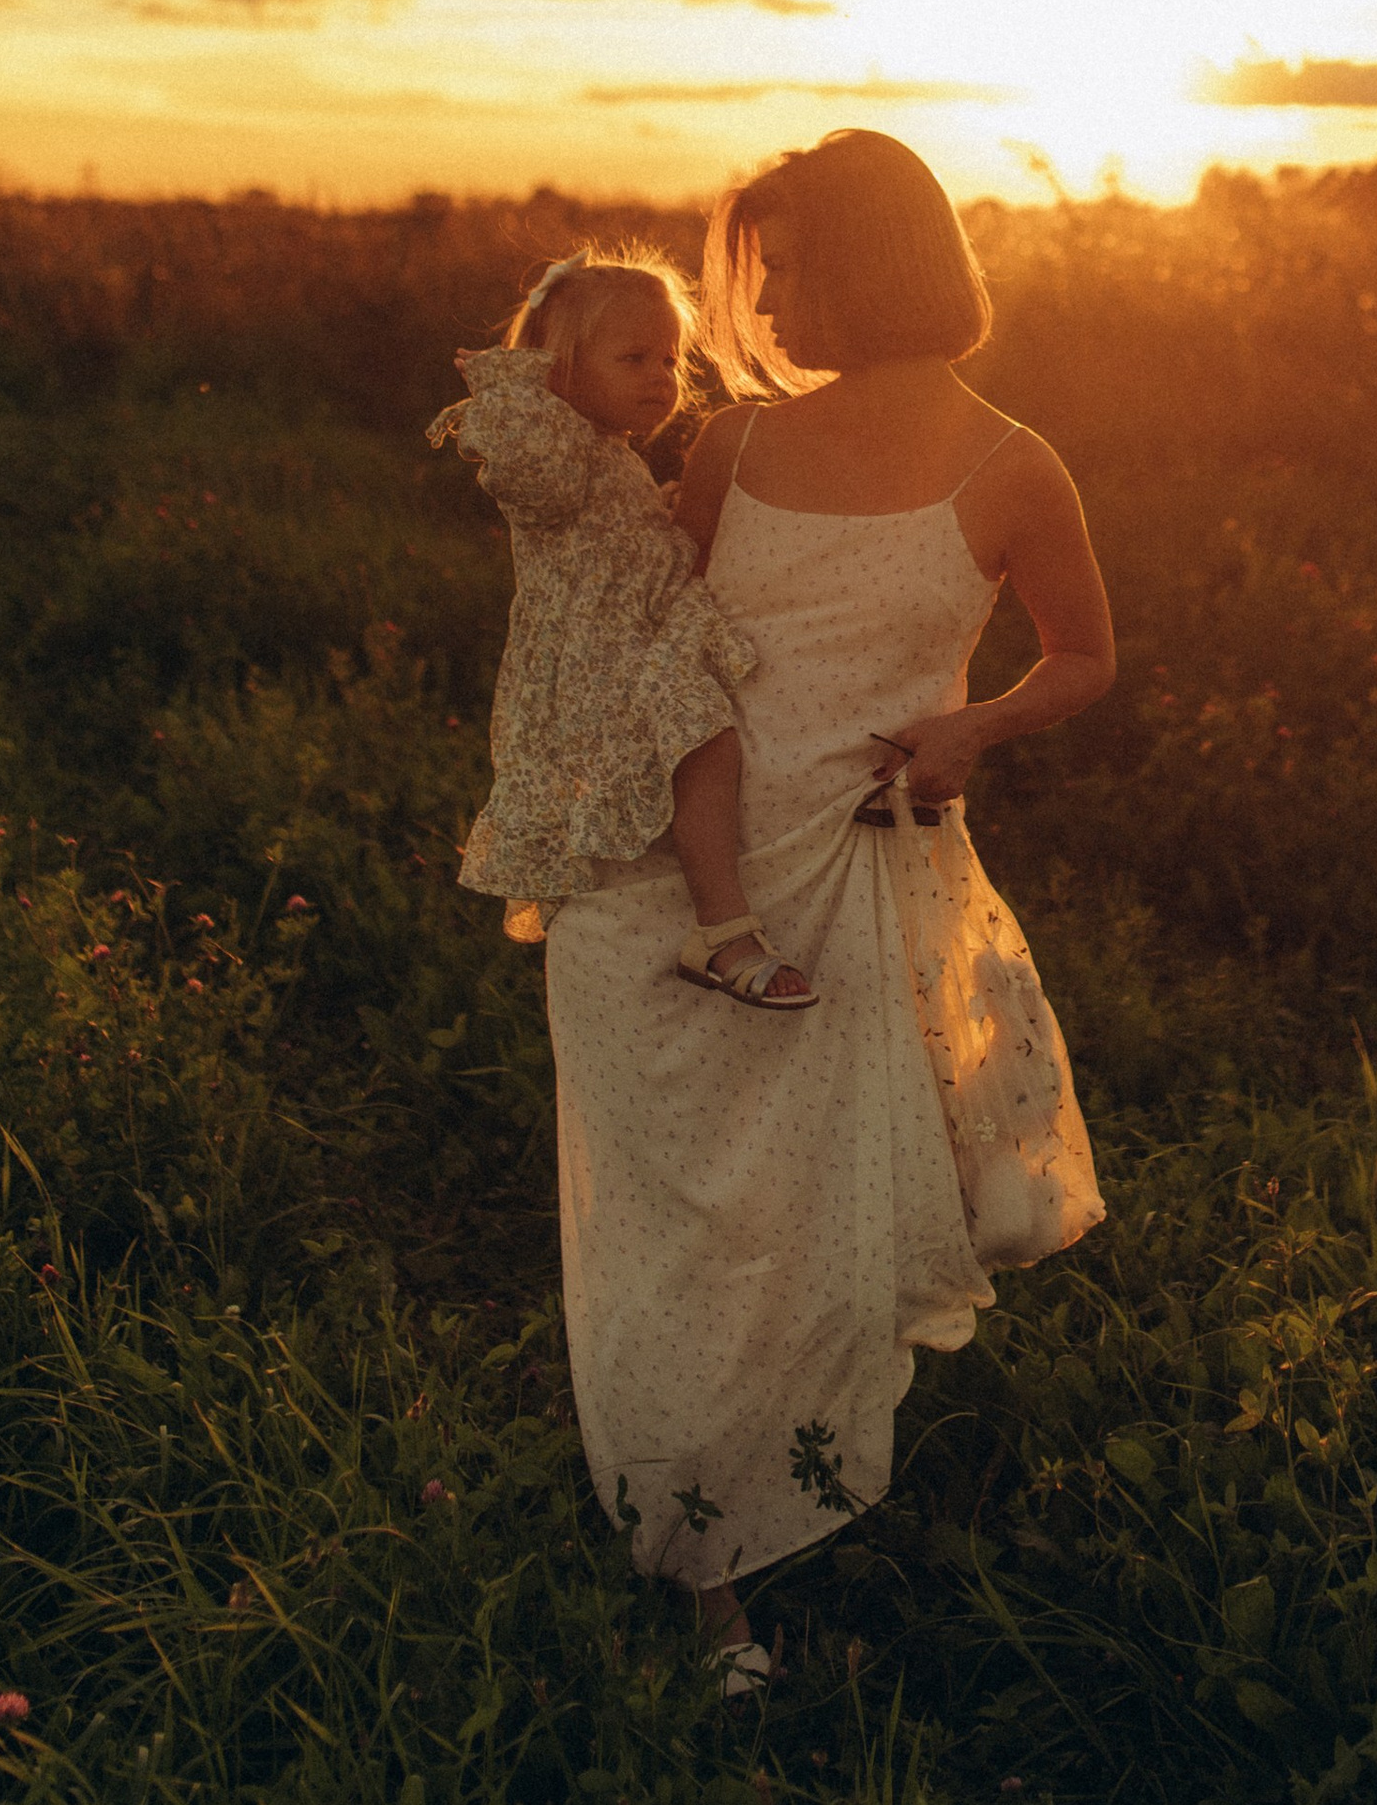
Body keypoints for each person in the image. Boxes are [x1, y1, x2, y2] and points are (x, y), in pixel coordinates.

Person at [541, 130, 1110, 1691]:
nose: (765, 300)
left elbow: (1083, 655)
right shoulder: (726, 454)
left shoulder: (1013, 467)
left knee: (806, 1228)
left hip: (860, 876)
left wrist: (971, 729)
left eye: (788, 267)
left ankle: (770, 1498)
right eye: (758, 270)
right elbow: (636, 646)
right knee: (679, 1232)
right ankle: (700, 1566)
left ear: (874, 265)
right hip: (671, 900)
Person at [429, 248, 806, 1006]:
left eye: (669, 359)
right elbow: (529, 473)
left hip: (636, 641)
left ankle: (711, 911)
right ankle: (722, 928)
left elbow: (614, 530)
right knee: (706, 740)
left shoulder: (606, 452)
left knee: (710, 742)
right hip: (601, 657)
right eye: (633, 358)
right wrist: (515, 387)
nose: (660, 378)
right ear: (561, 371)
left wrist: (659, 515)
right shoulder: (551, 442)